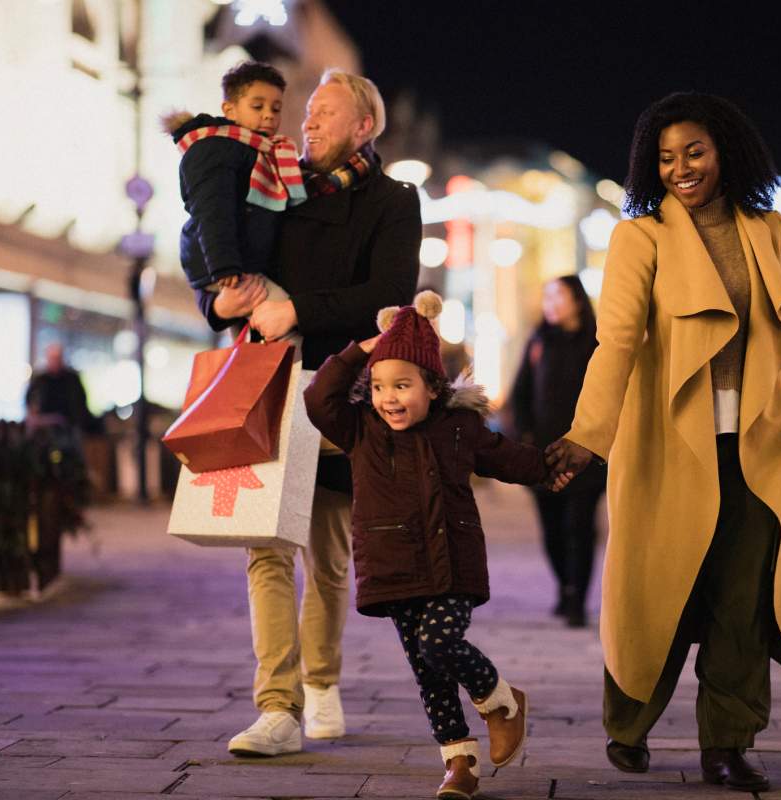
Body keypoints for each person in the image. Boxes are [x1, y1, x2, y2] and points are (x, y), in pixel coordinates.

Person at [547, 92, 781, 792]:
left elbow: (779, 341)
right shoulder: (643, 237)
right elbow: (617, 341)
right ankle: (627, 725)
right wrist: (587, 436)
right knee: (657, 587)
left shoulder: (772, 230)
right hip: (666, 442)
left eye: (694, 151)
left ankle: (727, 744)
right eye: (665, 158)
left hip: (754, 445)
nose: (681, 168)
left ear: (726, 150)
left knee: (743, 600)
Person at [197, 69, 420, 756]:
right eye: (308, 111)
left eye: (326, 112)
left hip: (340, 390)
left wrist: (301, 309)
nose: (308, 122)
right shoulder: (275, 191)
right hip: (268, 384)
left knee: (326, 552)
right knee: (267, 547)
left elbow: (389, 295)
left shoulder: (392, 200)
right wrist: (216, 304)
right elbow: (223, 262)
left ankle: (321, 680)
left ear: (364, 126)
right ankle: (277, 708)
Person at [303, 292, 551, 800]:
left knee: (439, 644)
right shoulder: (361, 430)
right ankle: (459, 762)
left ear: (433, 387)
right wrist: (362, 349)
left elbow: (509, 458)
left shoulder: (457, 428)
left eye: (402, 385)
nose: (388, 398)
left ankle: (500, 701)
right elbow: (320, 398)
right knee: (427, 672)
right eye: (377, 386)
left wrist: (559, 466)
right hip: (393, 570)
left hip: (450, 564)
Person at [165, 61, 305, 302]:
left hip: (242, 264)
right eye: (257, 106)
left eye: (276, 108)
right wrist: (224, 264)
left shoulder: (264, 152)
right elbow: (213, 208)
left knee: (252, 334)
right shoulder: (216, 148)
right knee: (286, 317)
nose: (268, 115)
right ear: (229, 110)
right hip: (224, 266)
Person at [510, 275, 605, 628]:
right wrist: (524, 439)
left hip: (587, 457)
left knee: (579, 527)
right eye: (546, 296)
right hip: (543, 457)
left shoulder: (598, 342)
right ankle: (564, 587)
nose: (550, 303)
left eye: (558, 296)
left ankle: (577, 598)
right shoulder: (538, 341)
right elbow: (520, 393)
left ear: (577, 301)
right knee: (551, 530)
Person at [25, 343, 98, 435]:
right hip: (44, 430)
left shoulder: (72, 380)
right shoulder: (40, 381)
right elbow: (30, 406)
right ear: (48, 359)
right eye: (53, 358)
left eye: (58, 358)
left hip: (70, 429)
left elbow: (81, 404)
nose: (55, 362)